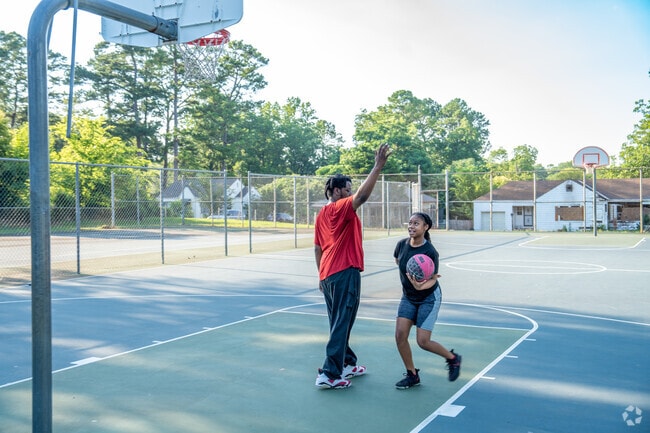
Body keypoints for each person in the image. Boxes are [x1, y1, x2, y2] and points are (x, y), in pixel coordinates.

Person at [314, 143, 392, 389]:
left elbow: (317, 248)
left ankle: (346, 363)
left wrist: (320, 277)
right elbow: (362, 196)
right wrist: (378, 166)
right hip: (343, 271)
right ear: (336, 192)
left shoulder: (321, 215)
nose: (350, 192)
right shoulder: (339, 208)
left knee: (340, 321)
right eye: (346, 189)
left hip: (327, 273)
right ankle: (329, 373)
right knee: (341, 322)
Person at [393, 211, 461, 389]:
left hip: (428, 298)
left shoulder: (430, 251)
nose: (411, 226)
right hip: (408, 297)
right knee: (400, 336)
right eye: (410, 223)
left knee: (423, 342)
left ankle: (453, 359)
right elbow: (397, 261)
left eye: (416, 223)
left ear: (426, 227)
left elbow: (432, 279)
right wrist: (412, 284)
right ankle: (412, 375)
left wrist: (419, 286)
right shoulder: (401, 245)